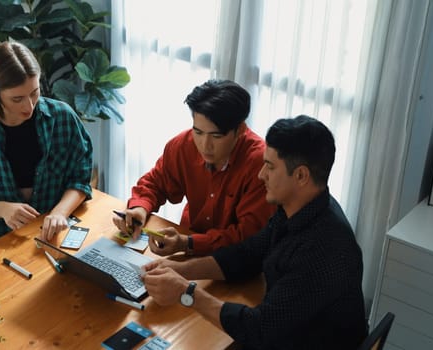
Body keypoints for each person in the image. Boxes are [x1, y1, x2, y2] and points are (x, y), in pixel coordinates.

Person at [142, 115, 368, 349]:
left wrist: (185, 292)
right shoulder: (296, 209)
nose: (261, 175)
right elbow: (248, 254)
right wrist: (180, 270)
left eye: (270, 166)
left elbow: (260, 330)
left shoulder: (322, 249)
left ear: (301, 176)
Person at [0, 41, 93, 267]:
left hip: (50, 229)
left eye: (35, 93)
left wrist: (60, 212)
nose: (30, 106)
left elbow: (80, 180)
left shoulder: (63, 118)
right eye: (17, 98)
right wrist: (1, 208)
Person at [112, 79, 275, 256]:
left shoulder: (261, 165)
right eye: (198, 132)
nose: (205, 145)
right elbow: (155, 183)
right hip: (187, 246)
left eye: (216, 136)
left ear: (241, 129)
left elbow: (248, 235)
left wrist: (189, 243)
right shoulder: (183, 145)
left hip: (236, 260)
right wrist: (139, 208)